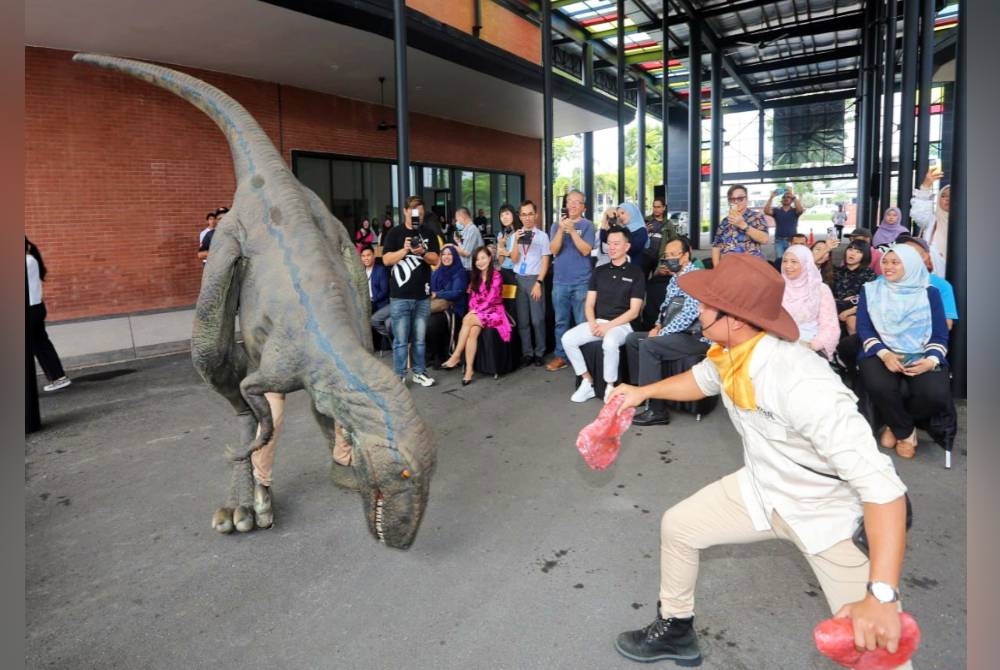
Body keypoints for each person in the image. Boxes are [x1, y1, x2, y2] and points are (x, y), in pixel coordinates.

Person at [609, 253, 911, 668]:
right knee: (678, 527)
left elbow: (884, 489)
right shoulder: (732, 351)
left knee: (877, 651)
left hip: (827, 516)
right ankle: (676, 629)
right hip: (762, 488)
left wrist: (882, 595)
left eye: (706, 304)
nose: (698, 309)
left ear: (732, 318)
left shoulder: (803, 381)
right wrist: (643, 393)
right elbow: (702, 380)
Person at [856, 244, 951, 459]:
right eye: (886, 262)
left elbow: (940, 334)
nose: (888, 267)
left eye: (895, 262)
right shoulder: (870, 290)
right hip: (880, 350)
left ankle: (895, 424)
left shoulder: (930, 293)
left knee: (935, 394)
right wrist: (885, 354)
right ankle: (907, 433)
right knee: (879, 384)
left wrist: (931, 360)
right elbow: (865, 329)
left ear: (910, 265)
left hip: (921, 352)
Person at [625, 236, 708, 426]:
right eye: (667, 255)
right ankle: (642, 394)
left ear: (686, 255)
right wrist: (657, 326)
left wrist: (660, 334)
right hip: (673, 333)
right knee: (632, 340)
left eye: (674, 254)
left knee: (648, 345)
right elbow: (664, 309)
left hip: (693, 337)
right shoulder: (673, 279)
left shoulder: (696, 278)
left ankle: (656, 410)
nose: (669, 259)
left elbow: (688, 316)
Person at [562, 227, 645, 403]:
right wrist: (593, 323)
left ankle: (610, 386)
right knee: (568, 339)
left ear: (627, 246)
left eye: (617, 243)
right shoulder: (599, 271)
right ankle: (587, 382)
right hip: (599, 322)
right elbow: (589, 304)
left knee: (610, 341)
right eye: (609, 243)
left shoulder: (636, 273)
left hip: (623, 325)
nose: (612, 247)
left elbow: (634, 311)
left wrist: (608, 326)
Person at [380, 196, 441, 387]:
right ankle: (399, 375)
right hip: (399, 295)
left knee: (420, 339)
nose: (418, 218)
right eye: (415, 214)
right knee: (400, 339)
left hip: (422, 295)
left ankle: (419, 372)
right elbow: (386, 260)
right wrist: (405, 250)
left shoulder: (429, 234)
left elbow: (435, 260)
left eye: (421, 214)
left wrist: (422, 252)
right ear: (406, 211)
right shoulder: (394, 233)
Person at [439, 246, 511, 385]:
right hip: (480, 312)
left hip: (494, 311)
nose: (480, 262)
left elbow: (491, 299)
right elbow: (472, 299)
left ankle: (456, 355)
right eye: (477, 259)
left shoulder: (496, 275)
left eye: (483, 258)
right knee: (472, 332)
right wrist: (474, 310)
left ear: (490, 258)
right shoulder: (475, 277)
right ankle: (469, 370)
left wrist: (475, 311)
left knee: (468, 319)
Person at [547, 189, 595, 372]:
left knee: (582, 321)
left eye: (577, 202)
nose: (573, 204)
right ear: (566, 204)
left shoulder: (588, 225)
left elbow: (586, 250)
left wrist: (573, 231)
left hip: (582, 282)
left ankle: (586, 358)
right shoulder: (555, 226)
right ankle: (561, 356)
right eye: (570, 201)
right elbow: (554, 249)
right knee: (561, 321)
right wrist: (561, 229)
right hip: (560, 282)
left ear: (583, 207)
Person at [26, 237, 71, 392]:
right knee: (41, 344)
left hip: (31, 310)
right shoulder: (30, 259)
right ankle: (59, 377)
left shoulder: (27, 261)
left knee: (37, 345)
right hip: (35, 308)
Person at [510, 200, 551, 367]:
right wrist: (516, 242)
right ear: (519, 217)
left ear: (536, 215)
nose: (527, 218)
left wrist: (539, 282)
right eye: (524, 215)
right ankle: (527, 352)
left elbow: (546, 260)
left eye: (530, 214)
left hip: (535, 279)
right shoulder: (515, 235)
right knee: (523, 320)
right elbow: (514, 259)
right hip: (519, 279)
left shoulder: (542, 236)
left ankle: (540, 351)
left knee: (537, 319)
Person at [781, 245, 840, 360]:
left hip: (809, 341)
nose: (788, 266)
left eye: (794, 262)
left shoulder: (819, 289)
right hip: (779, 340)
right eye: (785, 261)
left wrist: (813, 345)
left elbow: (830, 326)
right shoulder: (777, 287)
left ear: (806, 264)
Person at [895, 234, 958, 330]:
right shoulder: (882, 280)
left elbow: (947, 324)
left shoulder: (941, 286)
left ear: (924, 256)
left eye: (910, 250)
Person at [711, 184, 769, 268]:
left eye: (740, 198)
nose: (736, 202)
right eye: (732, 199)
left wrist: (744, 225)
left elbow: (765, 239)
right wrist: (717, 269)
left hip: (751, 268)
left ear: (747, 199)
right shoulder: (725, 221)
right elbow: (716, 246)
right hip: (727, 268)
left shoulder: (757, 216)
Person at [909, 164, 948, 276]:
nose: (948, 199)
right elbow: (920, 212)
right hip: (936, 271)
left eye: (951, 195)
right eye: (944, 196)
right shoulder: (932, 220)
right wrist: (926, 185)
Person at [833, 239, 877, 337]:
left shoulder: (869, 274)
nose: (852, 254)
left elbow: (871, 300)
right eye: (850, 249)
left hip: (857, 311)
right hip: (834, 309)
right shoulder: (836, 272)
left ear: (864, 255)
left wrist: (849, 312)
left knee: (851, 320)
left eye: (858, 252)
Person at [764, 187, 805, 262]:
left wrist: (793, 196)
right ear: (781, 201)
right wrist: (771, 197)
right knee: (780, 261)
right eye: (784, 197)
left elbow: (801, 210)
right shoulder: (777, 211)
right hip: (779, 241)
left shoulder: (795, 211)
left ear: (792, 200)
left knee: (793, 259)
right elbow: (766, 211)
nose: (786, 198)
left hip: (792, 241)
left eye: (788, 197)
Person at [362, 245, 392, 343]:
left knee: (374, 320)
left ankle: (389, 340)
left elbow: (384, 291)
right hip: (367, 303)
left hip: (380, 303)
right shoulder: (361, 271)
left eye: (368, 255)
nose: (366, 258)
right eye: (363, 256)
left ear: (373, 256)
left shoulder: (381, 270)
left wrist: (372, 300)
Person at [430, 244, 469, 317]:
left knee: (422, 309)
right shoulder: (437, 271)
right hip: (437, 301)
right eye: (443, 254)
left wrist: (437, 294)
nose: (446, 257)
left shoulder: (460, 272)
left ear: (455, 256)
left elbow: (456, 293)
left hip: (453, 307)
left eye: (450, 254)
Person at [451, 207, 485, 273]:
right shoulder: (466, 230)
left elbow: (466, 253)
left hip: (472, 269)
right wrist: (458, 241)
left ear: (462, 216)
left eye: (457, 219)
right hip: (467, 268)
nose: (457, 222)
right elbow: (463, 248)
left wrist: (453, 246)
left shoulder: (472, 230)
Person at [495, 204, 520, 281]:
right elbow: (500, 261)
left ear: (513, 215)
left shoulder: (519, 233)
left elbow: (518, 258)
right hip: (504, 271)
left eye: (507, 214)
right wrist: (501, 246)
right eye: (501, 215)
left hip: (517, 271)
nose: (504, 217)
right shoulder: (500, 235)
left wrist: (507, 253)